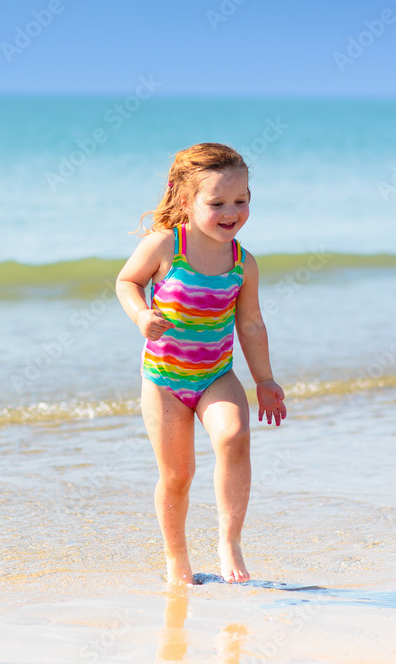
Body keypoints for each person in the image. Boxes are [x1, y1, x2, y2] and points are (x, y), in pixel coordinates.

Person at [115, 142, 287, 586]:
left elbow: (250, 325)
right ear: (185, 200)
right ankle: (177, 558)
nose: (232, 212)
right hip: (164, 381)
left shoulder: (242, 263)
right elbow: (126, 282)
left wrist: (264, 379)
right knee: (178, 474)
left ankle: (230, 541)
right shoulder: (165, 247)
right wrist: (140, 315)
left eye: (241, 200)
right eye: (217, 203)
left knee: (234, 436)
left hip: (216, 375)